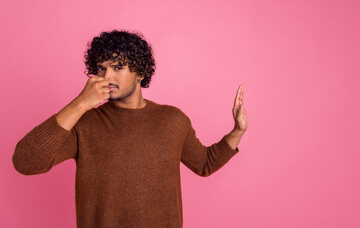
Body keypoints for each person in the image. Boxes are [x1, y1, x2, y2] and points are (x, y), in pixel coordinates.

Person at [12, 29, 248, 228]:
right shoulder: (84, 124)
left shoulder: (173, 120)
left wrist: (237, 131)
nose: (107, 77)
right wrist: (80, 103)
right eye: (101, 69)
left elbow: (205, 163)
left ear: (141, 72)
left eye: (117, 67)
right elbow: (25, 161)